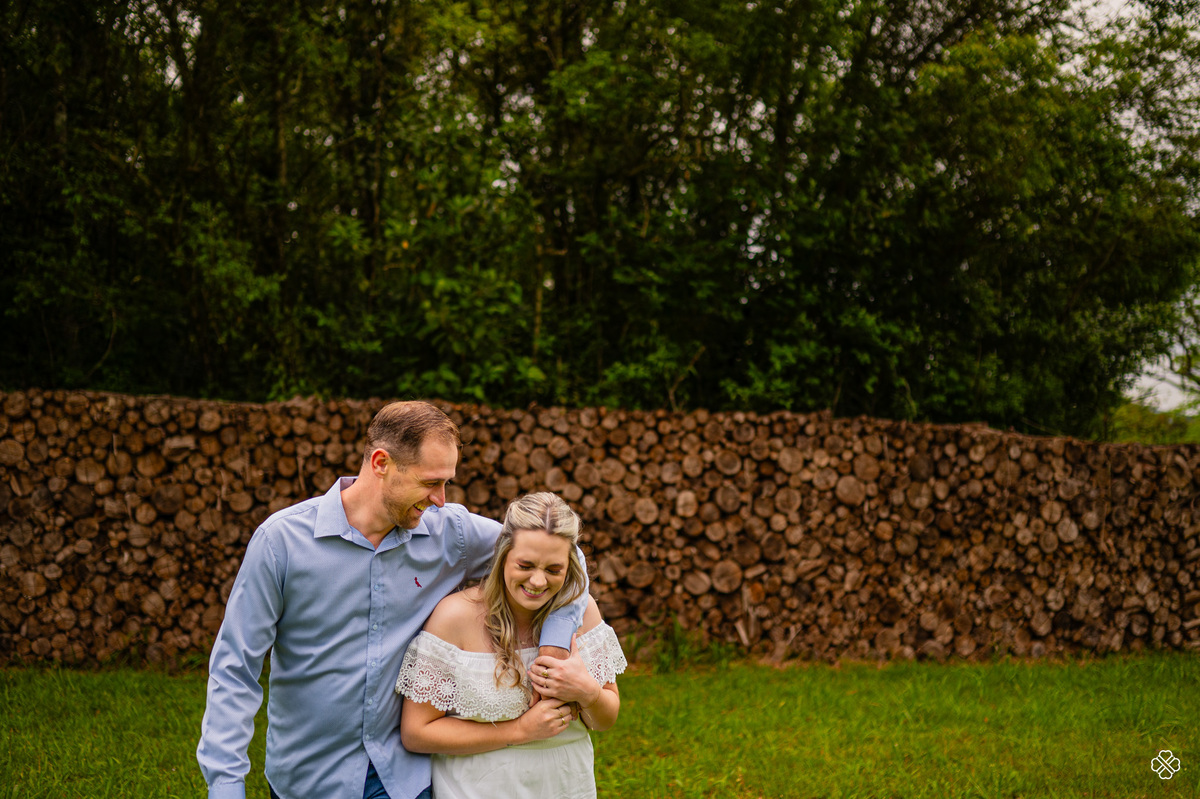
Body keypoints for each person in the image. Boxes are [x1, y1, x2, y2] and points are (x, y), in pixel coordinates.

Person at [197, 401, 588, 799]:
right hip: (309, 777)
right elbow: (235, 669)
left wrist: (553, 647)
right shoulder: (281, 543)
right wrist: (226, 786)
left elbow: (565, 557)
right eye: (430, 482)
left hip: (402, 777)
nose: (440, 498)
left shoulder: (449, 534)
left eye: (446, 482)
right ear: (381, 462)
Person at [395, 492, 627, 799]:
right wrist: (519, 731)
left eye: (554, 569)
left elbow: (606, 719)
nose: (538, 582)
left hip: (566, 787)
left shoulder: (583, 614)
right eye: (526, 565)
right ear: (504, 554)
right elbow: (416, 733)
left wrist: (587, 691)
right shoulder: (455, 617)